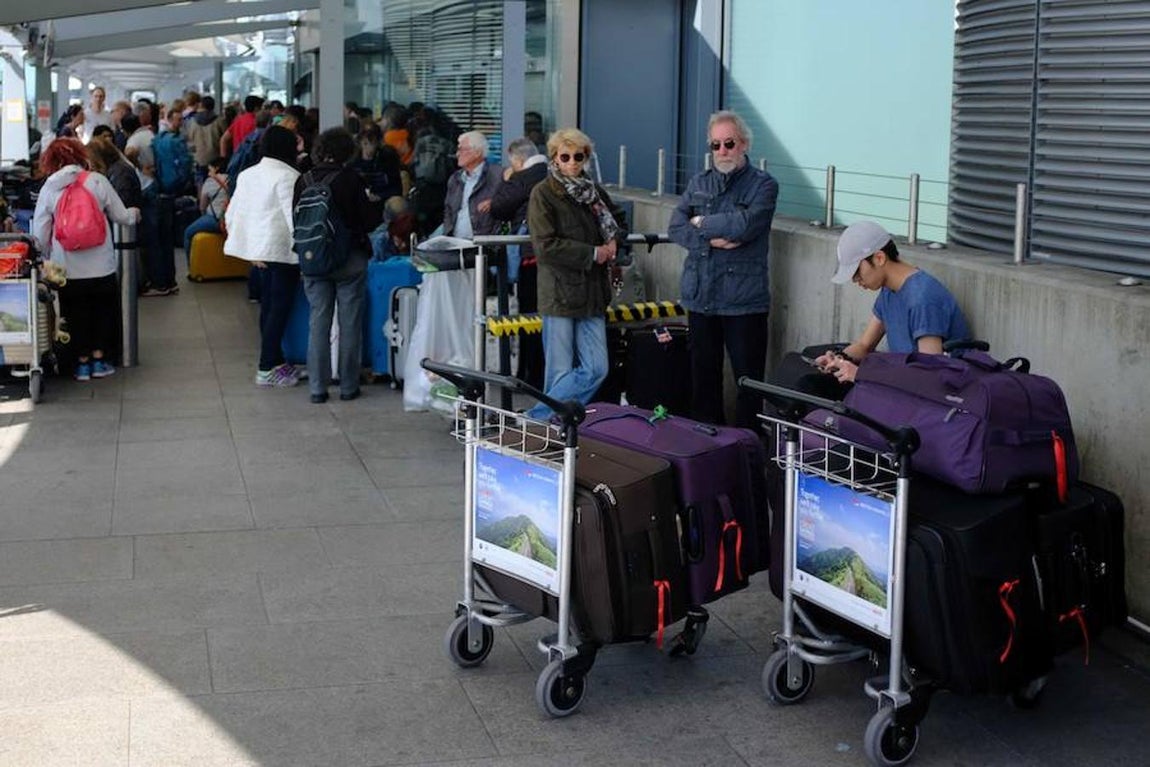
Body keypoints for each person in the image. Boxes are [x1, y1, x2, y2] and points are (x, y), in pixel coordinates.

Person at [668, 109, 779, 430]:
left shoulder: (763, 185)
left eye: (728, 143)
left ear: (744, 144)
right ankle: (708, 445)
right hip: (701, 296)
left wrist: (701, 222)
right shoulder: (699, 182)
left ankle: (747, 446)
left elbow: (746, 225)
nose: (722, 152)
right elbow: (675, 226)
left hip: (744, 301)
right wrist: (711, 240)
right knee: (703, 378)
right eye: (715, 145)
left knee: (748, 382)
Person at [524, 127, 627, 420]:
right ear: (554, 158)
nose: (571, 162)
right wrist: (594, 253)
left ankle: (536, 419)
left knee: (596, 368)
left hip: (592, 292)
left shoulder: (593, 191)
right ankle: (549, 429)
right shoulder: (543, 193)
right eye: (564, 156)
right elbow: (545, 246)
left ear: (585, 158)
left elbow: (619, 219)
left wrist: (613, 240)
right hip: (559, 292)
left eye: (578, 156)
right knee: (559, 371)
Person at [31, 137, 140, 381]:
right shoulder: (97, 181)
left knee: (74, 313)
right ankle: (100, 360)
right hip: (101, 264)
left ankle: (81, 364)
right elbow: (122, 216)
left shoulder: (49, 188)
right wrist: (134, 214)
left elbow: (40, 232)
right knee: (102, 311)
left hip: (67, 266)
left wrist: (46, 258)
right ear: (80, 155)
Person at [814, 220, 972, 383]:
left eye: (856, 272)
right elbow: (864, 346)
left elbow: (929, 375)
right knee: (813, 379)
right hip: (901, 382)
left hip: (929, 394)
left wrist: (862, 374)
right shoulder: (889, 291)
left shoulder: (923, 299)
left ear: (879, 258)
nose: (855, 280)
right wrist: (838, 359)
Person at [295, 127, 385, 403]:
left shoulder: (304, 180)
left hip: (314, 259)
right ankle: (348, 386)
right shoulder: (351, 179)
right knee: (350, 323)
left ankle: (317, 389)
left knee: (318, 323)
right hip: (349, 260)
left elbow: (297, 220)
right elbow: (368, 221)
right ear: (348, 151)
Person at [224, 125, 302, 388]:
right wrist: (305, 250)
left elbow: (234, 212)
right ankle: (267, 366)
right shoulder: (289, 176)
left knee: (268, 307)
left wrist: (248, 249)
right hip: (281, 250)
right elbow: (294, 219)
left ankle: (276, 361)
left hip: (259, 253)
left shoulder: (248, 174)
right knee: (278, 309)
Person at [490, 135, 549, 387]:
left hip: (530, 257)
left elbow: (499, 206)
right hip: (547, 257)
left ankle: (530, 376)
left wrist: (506, 179)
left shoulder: (525, 176)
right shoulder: (550, 172)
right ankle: (535, 373)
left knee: (529, 318)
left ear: (517, 158)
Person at [442, 130, 502, 239]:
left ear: (477, 152)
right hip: (456, 243)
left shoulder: (497, 175)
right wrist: (448, 233)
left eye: (462, 149)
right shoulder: (455, 179)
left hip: (484, 244)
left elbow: (506, 205)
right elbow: (448, 210)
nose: (457, 154)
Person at [182, 159, 229, 256]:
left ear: (216, 169)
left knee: (188, 233)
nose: (208, 173)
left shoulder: (210, 181)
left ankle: (192, 268)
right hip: (231, 220)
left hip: (214, 220)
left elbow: (202, 206)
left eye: (210, 170)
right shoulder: (232, 180)